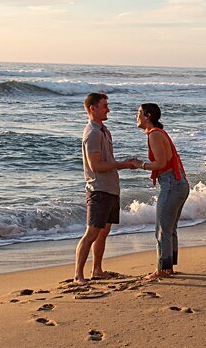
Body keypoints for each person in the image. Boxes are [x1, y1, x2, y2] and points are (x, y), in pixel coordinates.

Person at [74, 93, 140, 283]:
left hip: (111, 188)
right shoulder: (93, 133)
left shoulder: (104, 130)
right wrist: (123, 165)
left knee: (103, 233)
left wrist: (125, 163)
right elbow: (96, 166)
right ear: (92, 108)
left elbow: (108, 161)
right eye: (104, 106)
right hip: (98, 190)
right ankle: (78, 274)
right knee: (91, 233)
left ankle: (97, 270)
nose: (108, 109)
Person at [135, 102, 190, 280]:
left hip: (172, 183)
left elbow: (161, 163)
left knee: (162, 228)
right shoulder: (159, 133)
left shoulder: (154, 135)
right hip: (179, 182)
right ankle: (169, 267)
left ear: (148, 116)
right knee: (170, 228)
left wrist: (140, 165)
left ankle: (162, 269)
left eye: (139, 113)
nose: (136, 117)